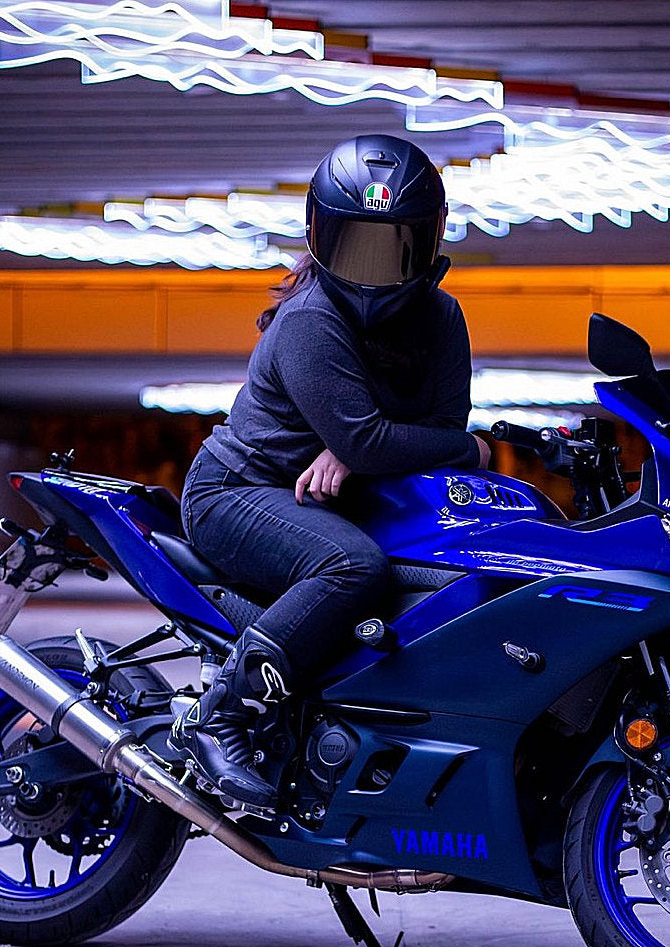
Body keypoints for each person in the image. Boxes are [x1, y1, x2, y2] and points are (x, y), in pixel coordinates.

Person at [169, 134, 491, 807]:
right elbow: (415, 440)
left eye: (393, 248)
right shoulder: (308, 321)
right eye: (354, 247)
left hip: (327, 502)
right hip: (238, 491)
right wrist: (448, 450)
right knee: (353, 569)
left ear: (429, 240)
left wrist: (365, 445)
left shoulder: (442, 316)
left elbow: (435, 426)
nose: (373, 271)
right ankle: (219, 716)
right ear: (319, 234)